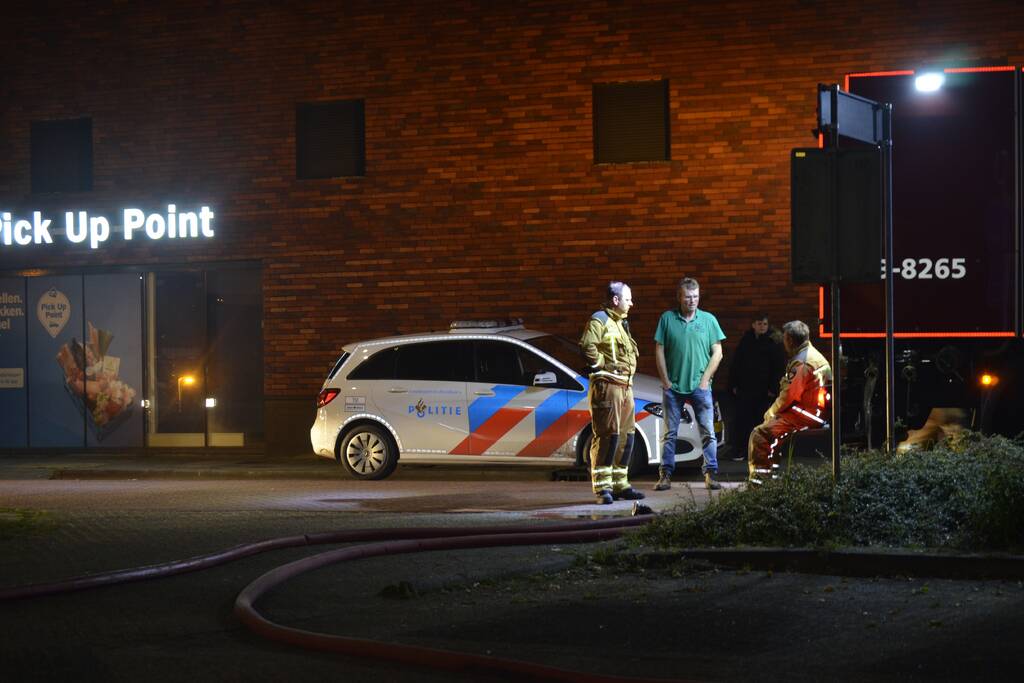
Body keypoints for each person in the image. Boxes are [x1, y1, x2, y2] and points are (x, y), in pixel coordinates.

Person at [653, 277, 726, 491]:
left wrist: (704, 381)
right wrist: (665, 381)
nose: (692, 301)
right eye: (687, 297)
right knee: (669, 434)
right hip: (673, 388)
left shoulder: (709, 320)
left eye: (695, 296)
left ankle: (711, 474)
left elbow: (718, 352)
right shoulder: (667, 319)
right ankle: (665, 475)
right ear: (679, 297)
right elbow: (659, 350)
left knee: (708, 432)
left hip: (700, 388)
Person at [579, 281, 646, 505]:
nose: (632, 303)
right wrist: (601, 366)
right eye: (628, 299)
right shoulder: (601, 319)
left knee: (626, 436)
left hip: (625, 388)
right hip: (607, 387)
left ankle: (620, 483)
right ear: (616, 300)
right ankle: (603, 488)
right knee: (608, 436)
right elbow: (588, 345)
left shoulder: (621, 323)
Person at [747, 320, 833, 485]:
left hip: (806, 413)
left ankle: (760, 483)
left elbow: (789, 396)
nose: (784, 343)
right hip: (817, 411)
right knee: (774, 436)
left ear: (791, 340)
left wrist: (771, 412)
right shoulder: (813, 355)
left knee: (760, 434)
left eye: (785, 339)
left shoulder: (801, 362)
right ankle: (773, 478)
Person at [727, 313, 786, 460]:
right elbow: (737, 363)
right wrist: (733, 383)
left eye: (765, 324)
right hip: (746, 389)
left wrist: (773, 388)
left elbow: (778, 367)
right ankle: (741, 450)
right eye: (759, 324)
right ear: (753, 325)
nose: (762, 327)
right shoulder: (746, 340)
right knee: (743, 420)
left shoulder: (773, 343)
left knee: (762, 421)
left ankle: (762, 452)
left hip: (764, 391)